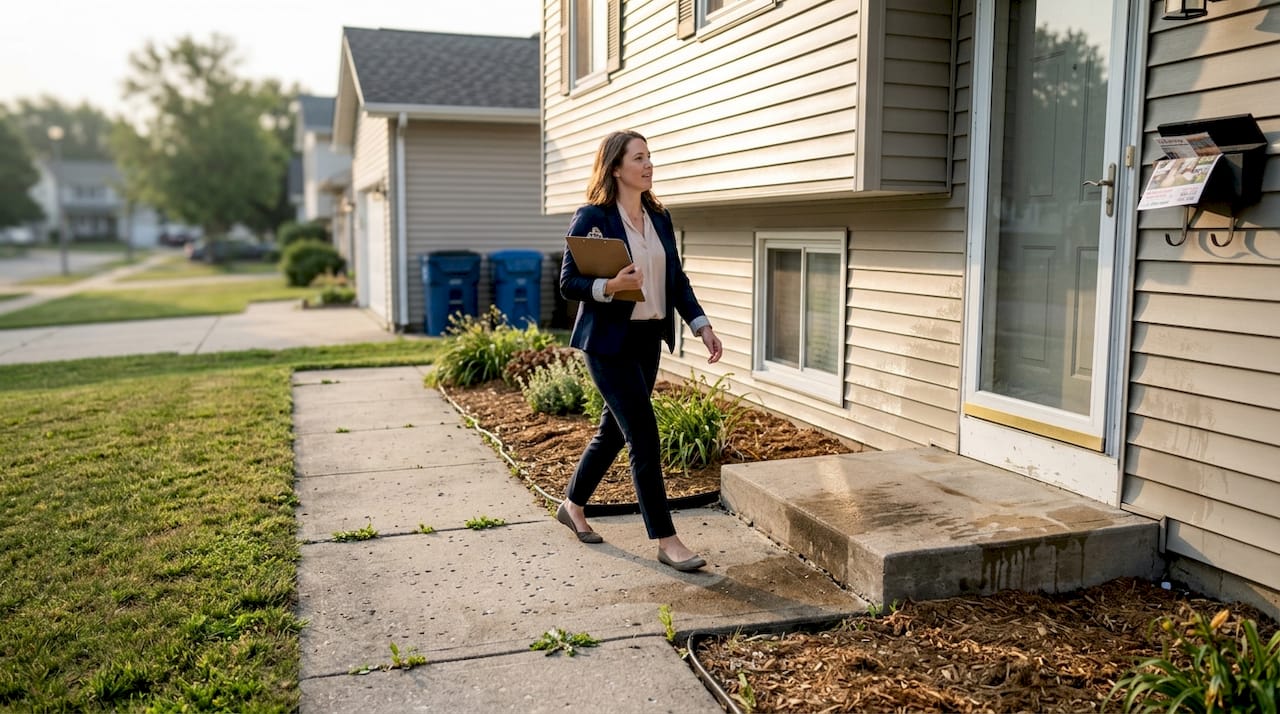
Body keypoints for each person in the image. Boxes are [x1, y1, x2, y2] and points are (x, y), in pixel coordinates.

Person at [556, 129, 723, 572]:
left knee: (614, 430)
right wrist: (609, 286)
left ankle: (572, 504)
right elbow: (568, 282)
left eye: (649, 157)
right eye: (638, 158)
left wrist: (701, 325)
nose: (648, 165)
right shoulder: (593, 217)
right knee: (644, 436)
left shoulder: (658, 217)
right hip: (607, 343)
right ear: (615, 167)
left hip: (648, 339)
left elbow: (677, 281)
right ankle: (667, 540)